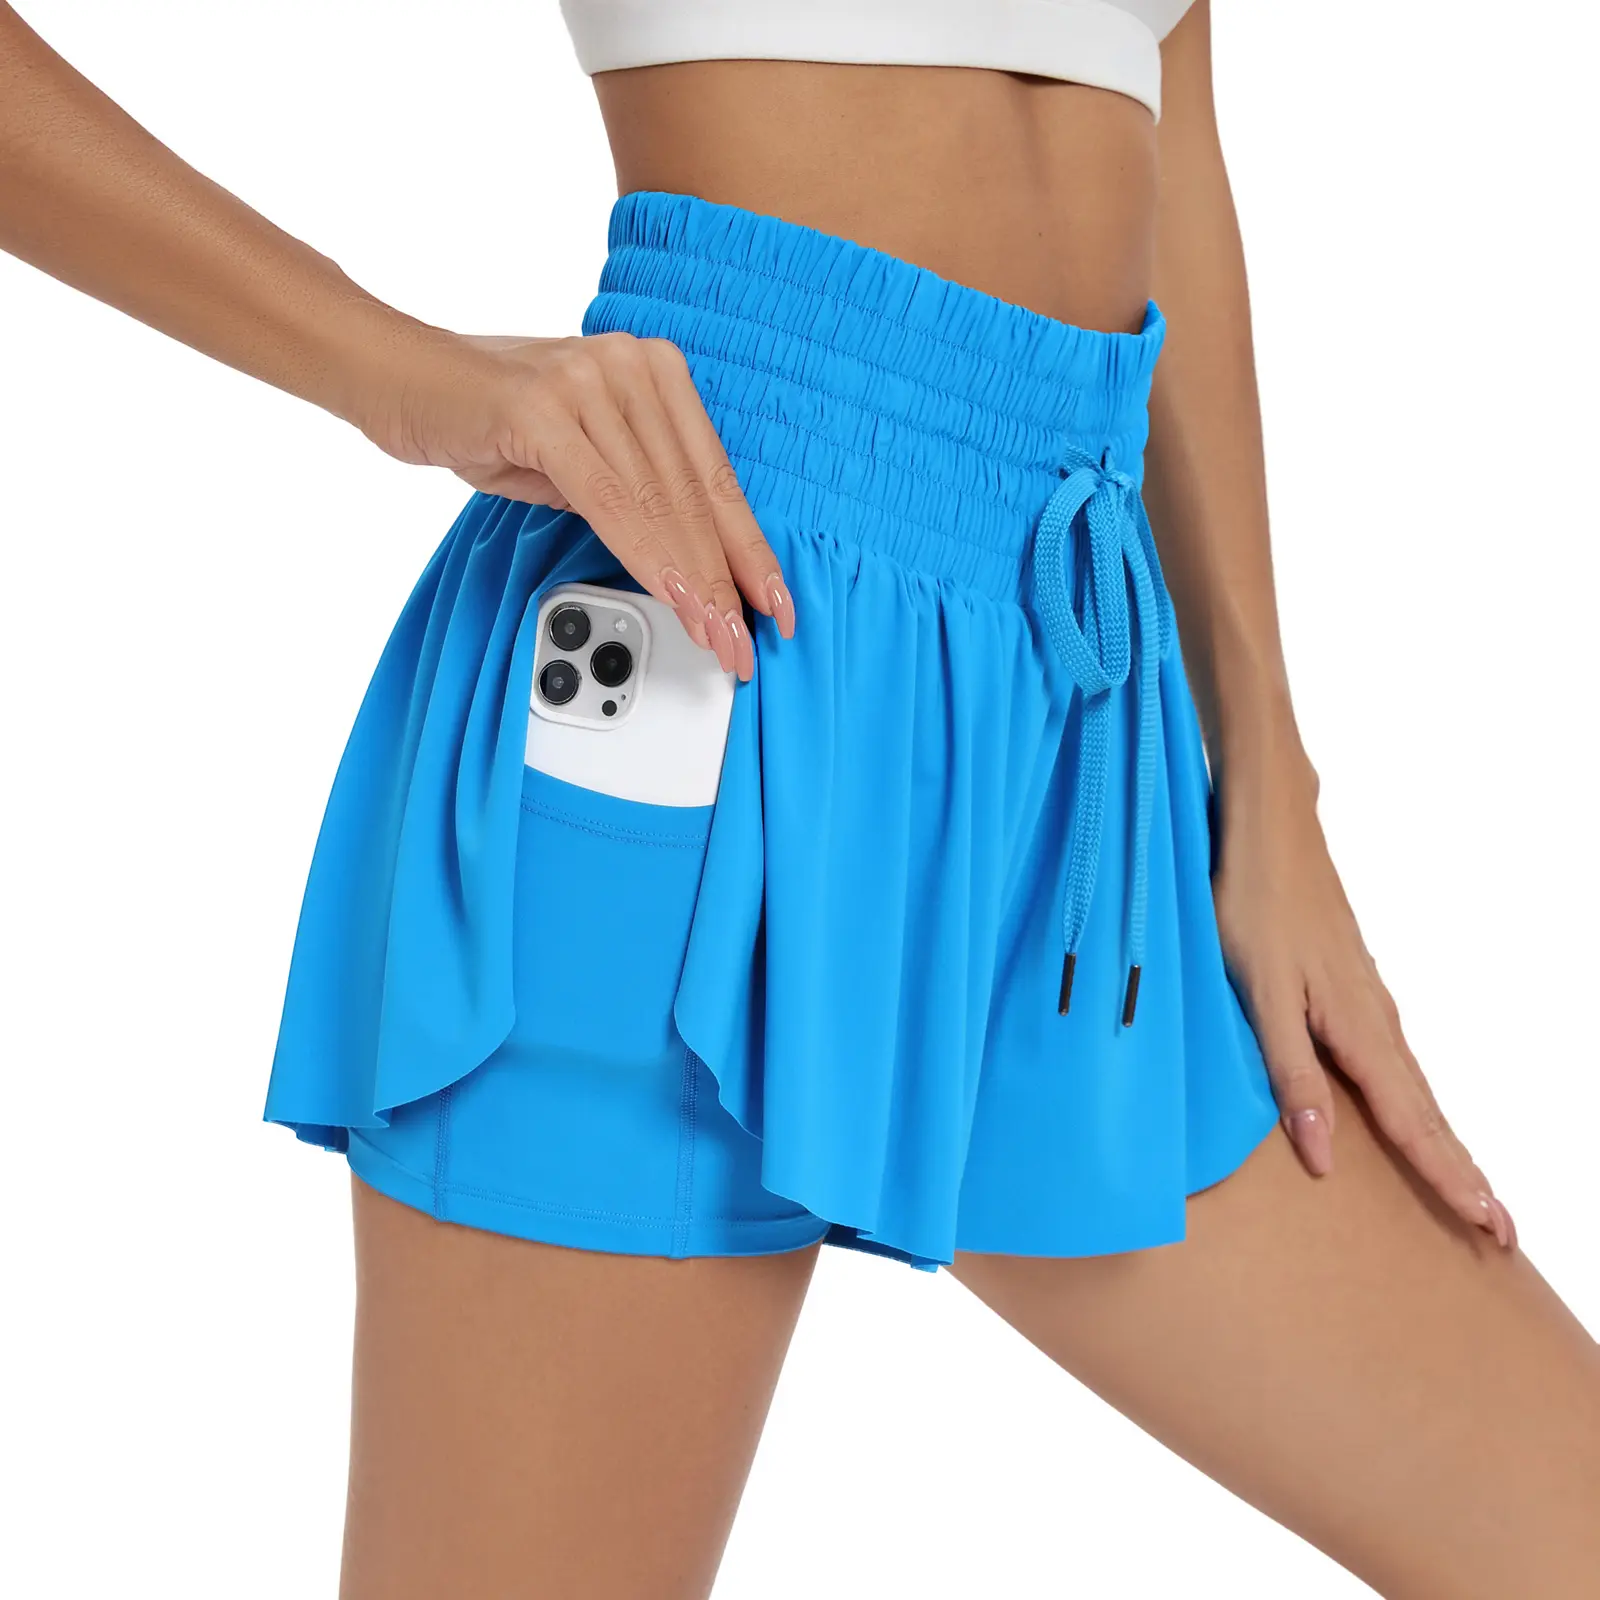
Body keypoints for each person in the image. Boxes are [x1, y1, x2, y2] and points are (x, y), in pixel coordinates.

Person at [3, 4, 1596, 1596]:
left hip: (1078, 731)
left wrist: (1273, 793)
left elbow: (1164, 87)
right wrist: (395, 369)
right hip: (713, 626)